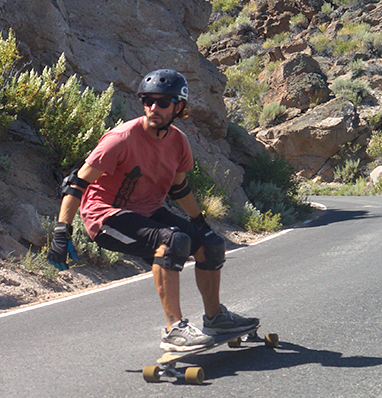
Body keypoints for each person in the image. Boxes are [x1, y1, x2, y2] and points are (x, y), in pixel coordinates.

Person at [46, 69, 258, 352]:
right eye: (147, 101)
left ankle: (215, 317)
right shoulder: (119, 139)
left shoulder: (178, 141)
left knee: (211, 244)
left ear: (179, 106)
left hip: (146, 211)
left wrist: (200, 222)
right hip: (105, 216)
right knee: (172, 241)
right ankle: (174, 329)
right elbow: (75, 185)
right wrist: (62, 232)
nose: (153, 108)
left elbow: (179, 189)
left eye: (163, 102)